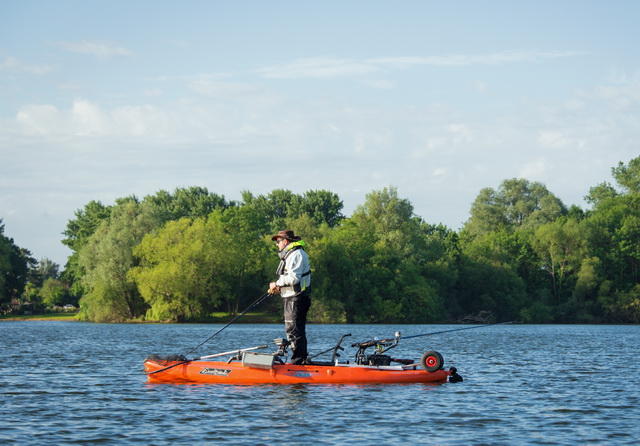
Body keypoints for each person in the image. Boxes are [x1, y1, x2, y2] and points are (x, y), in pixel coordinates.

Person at [269, 229, 311, 365]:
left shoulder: (296, 254)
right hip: (292, 297)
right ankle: (299, 359)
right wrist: (278, 287)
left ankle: (298, 362)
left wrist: (276, 283)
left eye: (278, 241)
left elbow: (293, 278)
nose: (277, 244)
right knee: (293, 330)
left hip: (297, 298)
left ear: (285, 241)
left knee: (294, 330)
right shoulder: (290, 254)